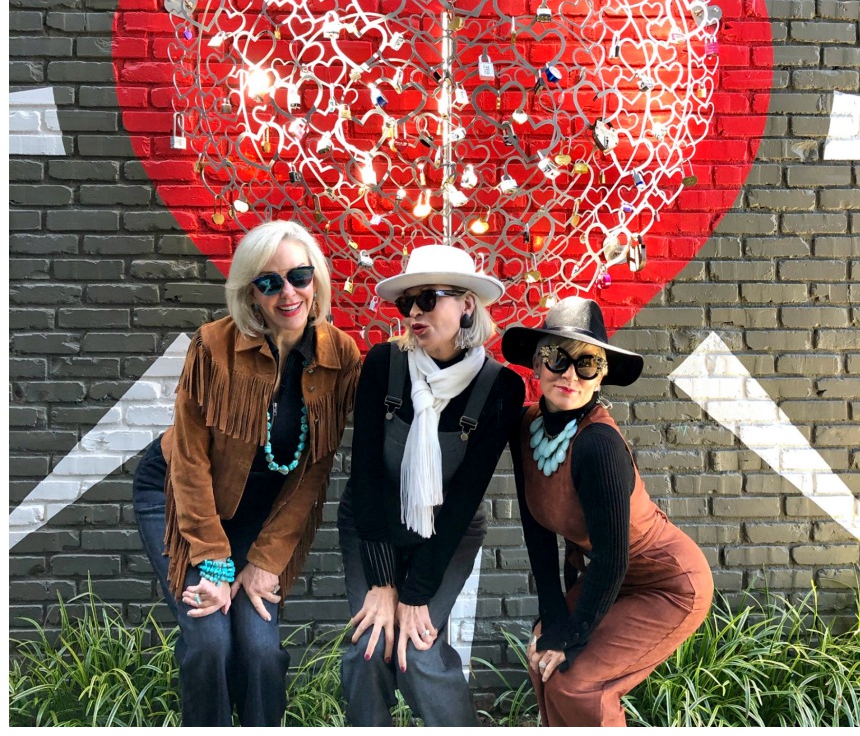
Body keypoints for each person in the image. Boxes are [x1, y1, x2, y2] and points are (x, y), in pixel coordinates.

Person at [132, 220, 361, 726]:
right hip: (178, 495)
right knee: (210, 642)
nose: (288, 293)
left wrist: (265, 562)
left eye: (299, 276)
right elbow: (189, 461)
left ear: (317, 280)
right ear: (250, 293)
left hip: (261, 514)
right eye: (269, 282)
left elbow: (310, 474)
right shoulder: (213, 345)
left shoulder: (338, 356)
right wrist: (213, 561)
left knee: (259, 651)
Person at [502, 297, 714, 727]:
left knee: (576, 682)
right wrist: (552, 616)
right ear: (536, 364)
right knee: (543, 657)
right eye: (556, 357)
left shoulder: (598, 444)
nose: (569, 375)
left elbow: (614, 557)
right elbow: (535, 527)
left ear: (600, 378)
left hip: (667, 583)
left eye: (587, 364)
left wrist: (573, 635)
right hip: (611, 577)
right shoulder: (525, 429)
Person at [338, 243, 526, 726]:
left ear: (467, 303)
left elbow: (464, 501)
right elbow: (365, 476)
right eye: (407, 303)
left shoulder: (500, 388)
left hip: (448, 533)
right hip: (371, 522)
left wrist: (415, 595)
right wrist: (383, 583)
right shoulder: (382, 363)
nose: (415, 312)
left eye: (429, 299)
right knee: (369, 648)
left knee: (418, 653)